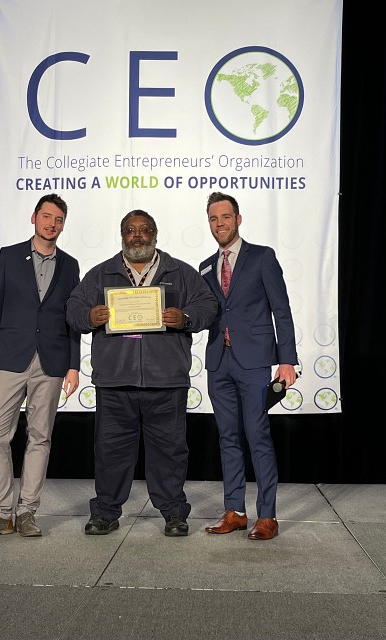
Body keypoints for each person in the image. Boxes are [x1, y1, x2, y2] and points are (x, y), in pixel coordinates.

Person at [66, 209, 217, 537]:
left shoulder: (180, 272)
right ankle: (106, 512)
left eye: (145, 230)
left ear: (155, 234)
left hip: (165, 382)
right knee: (110, 452)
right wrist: (90, 316)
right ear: (122, 235)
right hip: (115, 381)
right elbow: (73, 310)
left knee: (171, 451)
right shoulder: (101, 274)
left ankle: (174, 513)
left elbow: (208, 306)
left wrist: (186, 317)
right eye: (131, 230)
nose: (138, 235)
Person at [0, 193, 80, 539]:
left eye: (58, 220)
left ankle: (27, 511)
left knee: (40, 436)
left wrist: (73, 364)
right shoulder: (9, 257)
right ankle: (0, 513)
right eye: (46, 217)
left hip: (52, 361)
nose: (51, 224)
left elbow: (72, 320)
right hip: (11, 357)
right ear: (34, 218)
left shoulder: (70, 265)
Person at [199, 192, 298, 540]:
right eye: (213, 218)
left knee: (257, 436)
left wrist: (287, 360)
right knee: (227, 437)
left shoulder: (262, 258)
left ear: (238, 219)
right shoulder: (206, 266)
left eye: (225, 217)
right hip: (218, 362)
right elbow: (211, 313)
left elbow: (281, 311)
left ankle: (267, 515)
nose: (219, 223)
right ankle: (236, 512)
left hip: (255, 362)